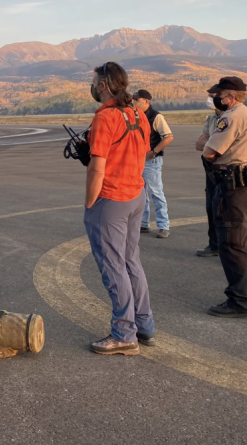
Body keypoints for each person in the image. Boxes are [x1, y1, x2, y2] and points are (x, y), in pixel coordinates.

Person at [84, 62, 155, 356]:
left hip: (111, 199)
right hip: (135, 194)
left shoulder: (106, 118)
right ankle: (144, 324)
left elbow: (97, 168)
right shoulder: (137, 113)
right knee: (130, 262)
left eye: (93, 81)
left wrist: (90, 202)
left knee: (113, 267)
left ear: (103, 85)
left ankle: (124, 333)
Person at [202, 76, 247, 318]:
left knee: (233, 243)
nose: (216, 98)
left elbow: (209, 151)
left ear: (229, 96)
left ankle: (239, 301)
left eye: (219, 95)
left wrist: (208, 148)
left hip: (234, 185)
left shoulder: (231, 117)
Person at [133, 90, 173, 238]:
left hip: (151, 160)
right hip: (137, 159)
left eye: (137, 100)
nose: (134, 102)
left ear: (146, 101)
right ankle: (143, 223)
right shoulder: (134, 116)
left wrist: (154, 151)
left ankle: (163, 225)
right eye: (133, 99)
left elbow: (168, 137)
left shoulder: (156, 116)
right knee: (140, 193)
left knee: (156, 192)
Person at [195, 93, 223, 257]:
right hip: (210, 170)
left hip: (224, 169)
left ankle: (227, 246)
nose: (210, 100)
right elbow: (199, 144)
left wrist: (210, 143)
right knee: (211, 207)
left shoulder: (229, 118)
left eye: (213, 96)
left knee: (224, 209)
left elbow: (223, 147)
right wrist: (212, 144)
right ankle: (214, 245)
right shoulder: (211, 118)